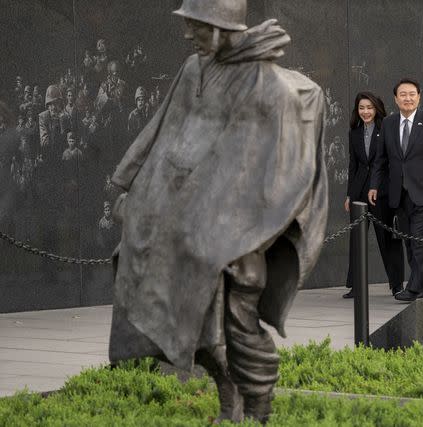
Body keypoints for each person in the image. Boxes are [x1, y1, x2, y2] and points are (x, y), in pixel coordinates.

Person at [107, 1, 327, 424]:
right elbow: (167, 129)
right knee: (199, 329)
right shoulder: (194, 68)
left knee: (239, 331)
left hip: (241, 232)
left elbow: (281, 168)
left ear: (222, 27)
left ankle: (257, 414)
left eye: (196, 25)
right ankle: (231, 407)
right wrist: (136, 187)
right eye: (188, 24)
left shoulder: (267, 84)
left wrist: (250, 233)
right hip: (189, 222)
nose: (188, 33)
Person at [369, 78, 423, 302]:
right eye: (403, 94)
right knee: (409, 240)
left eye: (412, 94)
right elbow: (380, 159)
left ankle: (414, 287)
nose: (408, 98)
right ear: (396, 99)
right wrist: (374, 186)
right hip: (399, 192)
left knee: (417, 239)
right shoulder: (388, 123)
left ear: (419, 97)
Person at [342, 92, 404, 299]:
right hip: (359, 192)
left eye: (369, 107)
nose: (365, 112)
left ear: (377, 108)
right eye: (361, 108)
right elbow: (353, 166)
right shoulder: (354, 133)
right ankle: (356, 285)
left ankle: (396, 285)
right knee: (357, 239)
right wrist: (350, 195)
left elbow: (393, 161)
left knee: (387, 238)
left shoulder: (387, 128)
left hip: (382, 192)